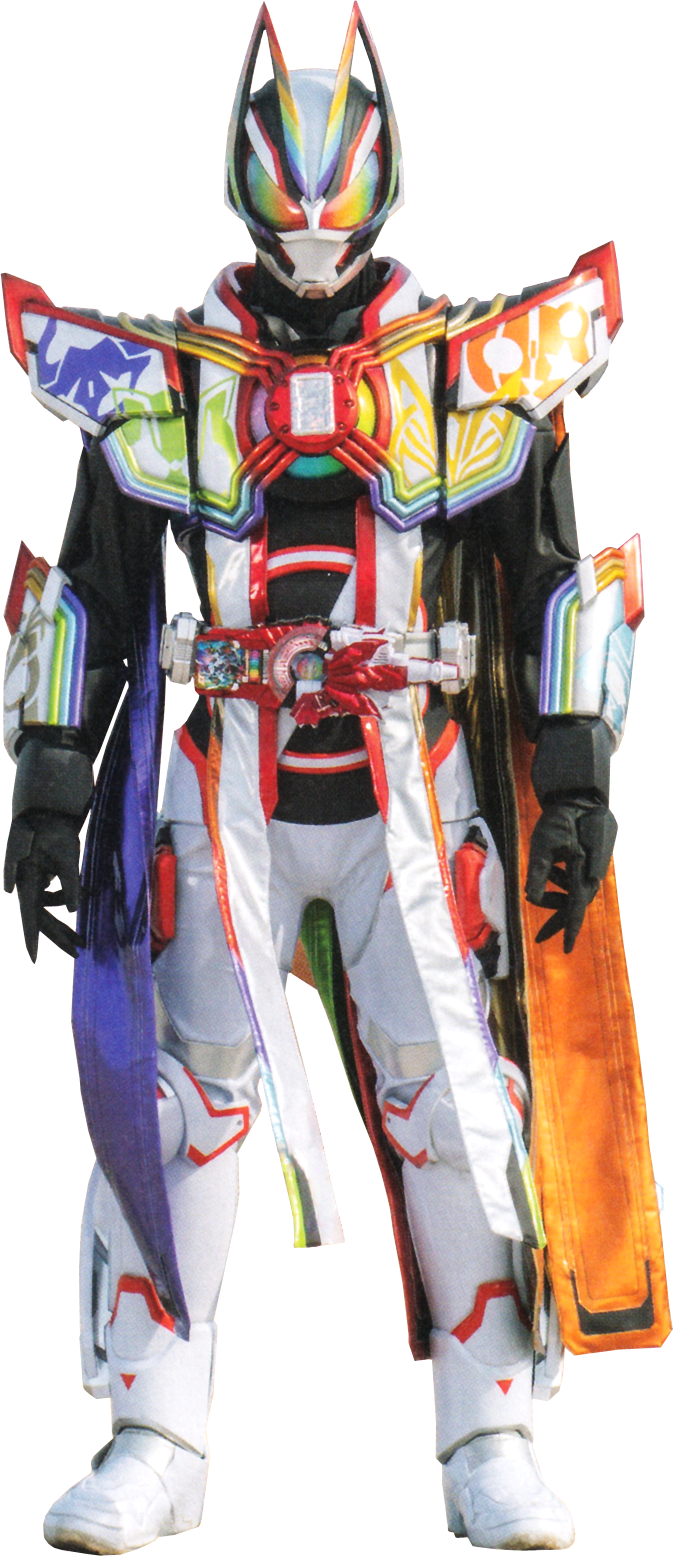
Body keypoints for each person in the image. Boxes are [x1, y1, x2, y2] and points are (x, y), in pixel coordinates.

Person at [2, 6, 668, 1553]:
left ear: (376, 194)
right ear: (249, 197)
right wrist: (50, 782)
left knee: (459, 1101)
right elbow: (96, 590)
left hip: (410, 798)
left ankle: (491, 1438)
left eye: (333, 226)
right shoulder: (169, 379)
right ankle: (155, 1439)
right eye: (286, 228)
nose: (311, 262)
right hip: (224, 781)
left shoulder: (467, 371)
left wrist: (574, 772)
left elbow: (549, 574)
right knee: (184, 1102)